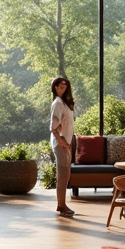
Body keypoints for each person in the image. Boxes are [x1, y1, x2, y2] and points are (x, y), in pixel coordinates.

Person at [50, 76, 75, 217]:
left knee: (65, 175)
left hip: (66, 141)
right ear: (55, 87)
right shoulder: (58, 103)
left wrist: (69, 142)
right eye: (60, 86)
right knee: (63, 175)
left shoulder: (65, 102)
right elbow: (53, 127)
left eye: (65, 86)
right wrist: (62, 142)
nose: (63, 88)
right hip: (61, 143)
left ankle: (62, 204)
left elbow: (67, 124)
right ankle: (61, 205)